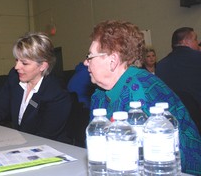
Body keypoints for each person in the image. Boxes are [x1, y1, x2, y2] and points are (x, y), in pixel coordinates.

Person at [84, 20, 201, 175]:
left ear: (112, 61)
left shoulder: (138, 93)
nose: (85, 62)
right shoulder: (99, 94)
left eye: (90, 56)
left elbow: (144, 161)